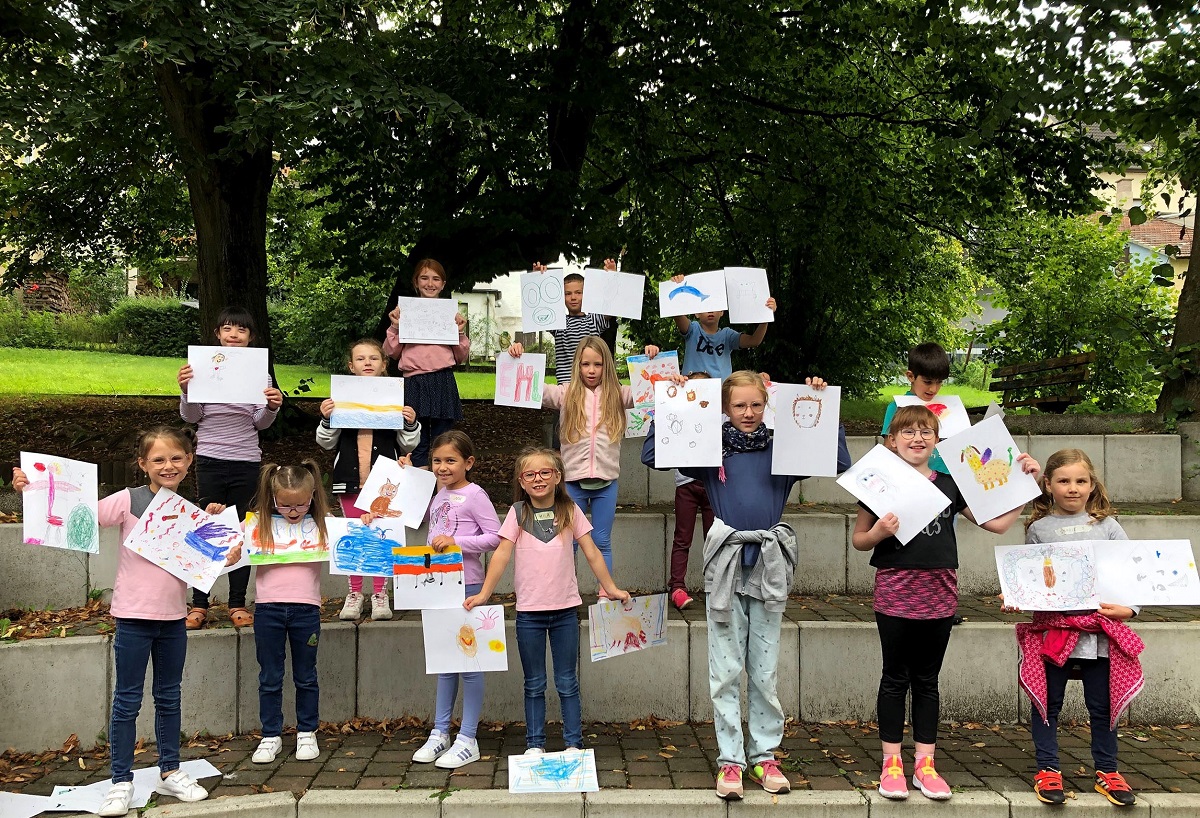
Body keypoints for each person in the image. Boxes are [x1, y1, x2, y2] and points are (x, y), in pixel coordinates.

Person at [642, 370, 848, 800]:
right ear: (724, 408)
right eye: (739, 405)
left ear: (766, 405)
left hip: (770, 564)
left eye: (756, 405)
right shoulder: (709, 448)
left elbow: (838, 460)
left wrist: (821, 403)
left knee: (764, 668)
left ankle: (764, 755)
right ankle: (730, 760)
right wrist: (676, 402)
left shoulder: (783, 449)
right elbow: (652, 452)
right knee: (725, 666)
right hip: (726, 564)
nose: (749, 413)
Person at [13, 427, 238, 816]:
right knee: (127, 702)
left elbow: (206, 564)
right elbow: (73, 511)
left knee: (169, 697)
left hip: (174, 620)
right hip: (133, 618)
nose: (168, 465)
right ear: (142, 464)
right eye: (158, 459)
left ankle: (170, 770)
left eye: (176, 458)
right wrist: (30, 488)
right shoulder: (127, 500)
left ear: (189, 461)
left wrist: (228, 553)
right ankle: (121, 782)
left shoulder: (193, 512)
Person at [852, 405, 1040, 801]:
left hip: (940, 592)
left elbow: (997, 524)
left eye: (925, 432)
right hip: (896, 591)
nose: (917, 438)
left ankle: (925, 764)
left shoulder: (951, 484)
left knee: (927, 680)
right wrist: (881, 532)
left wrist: (1026, 486)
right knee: (894, 678)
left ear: (937, 441)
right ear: (892, 441)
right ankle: (891, 764)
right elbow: (859, 539)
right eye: (908, 432)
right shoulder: (878, 484)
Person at [464, 447, 630, 754]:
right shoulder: (517, 513)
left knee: (568, 682)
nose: (538, 478)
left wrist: (611, 587)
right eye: (530, 474)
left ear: (557, 477)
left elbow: (592, 552)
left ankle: (573, 744)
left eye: (545, 472)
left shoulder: (570, 510)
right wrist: (485, 593)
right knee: (534, 683)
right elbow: (500, 554)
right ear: (522, 482)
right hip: (529, 614)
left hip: (566, 611)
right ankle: (535, 745)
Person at [1003, 449, 1143, 807]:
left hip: (1100, 633)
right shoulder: (1038, 528)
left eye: (1081, 481)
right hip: (1055, 631)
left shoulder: (1109, 527)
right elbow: (1034, 579)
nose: (1073, 488)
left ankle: (1108, 770)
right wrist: (1018, 596)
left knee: (1103, 703)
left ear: (1092, 484)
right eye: (1063, 481)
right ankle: (1047, 768)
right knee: (1048, 702)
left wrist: (1130, 608)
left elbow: (1131, 574)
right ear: (1048, 485)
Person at [177, 306, 283, 629]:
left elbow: (259, 422)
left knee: (240, 532)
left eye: (241, 330)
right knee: (206, 529)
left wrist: (272, 408)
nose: (234, 335)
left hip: (246, 460)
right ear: (217, 335)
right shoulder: (201, 369)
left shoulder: (259, 375)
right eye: (227, 329)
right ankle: (199, 603)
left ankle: (237, 602)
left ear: (251, 337)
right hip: (209, 457)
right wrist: (186, 391)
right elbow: (191, 417)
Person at [403, 431, 501, 769]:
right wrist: (406, 475)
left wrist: (456, 541)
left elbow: (494, 538)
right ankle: (440, 731)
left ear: (468, 463)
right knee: (445, 662)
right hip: (438, 584)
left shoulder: (475, 495)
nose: (443, 467)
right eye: (437, 461)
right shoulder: (438, 493)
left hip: (468, 585)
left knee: (469, 662)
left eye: (451, 460)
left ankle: (468, 737)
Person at [316, 338, 421, 621]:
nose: (367, 363)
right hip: (349, 482)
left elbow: (408, 444)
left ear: (384, 364)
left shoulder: (394, 400)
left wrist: (410, 422)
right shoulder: (339, 401)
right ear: (351, 366)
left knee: (381, 537)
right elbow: (326, 443)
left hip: (383, 486)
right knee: (355, 534)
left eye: (374, 358)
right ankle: (354, 593)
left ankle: (379, 594)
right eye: (360, 359)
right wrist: (326, 419)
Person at [507, 259, 657, 447]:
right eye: (568, 293)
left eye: (578, 292)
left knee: (597, 436)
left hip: (597, 391)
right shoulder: (558, 323)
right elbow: (538, 309)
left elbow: (612, 306)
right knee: (561, 441)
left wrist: (612, 277)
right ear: (561, 297)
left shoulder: (593, 321)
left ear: (586, 295)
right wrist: (538, 279)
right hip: (568, 392)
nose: (573, 297)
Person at [522, 336, 633, 578]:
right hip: (572, 483)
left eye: (598, 364)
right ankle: (567, 597)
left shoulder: (617, 394)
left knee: (602, 541)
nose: (591, 370)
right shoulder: (566, 393)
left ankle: (606, 596)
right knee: (568, 542)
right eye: (585, 364)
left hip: (606, 484)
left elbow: (651, 393)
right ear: (577, 365)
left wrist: (652, 360)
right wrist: (516, 359)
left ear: (607, 366)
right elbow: (533, 390)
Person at [246, 461, 331, 765]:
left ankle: (307, 731)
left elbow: (358, 534)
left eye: (301, 504)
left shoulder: (324, 523)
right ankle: (271, 735)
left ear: (312, 497)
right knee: (270, 676)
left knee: (306, 676)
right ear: (272, 499)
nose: (294, 511)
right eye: (285, 504)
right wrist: (217, 514)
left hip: (306, 610)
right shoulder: (257, 524)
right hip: (268, 609)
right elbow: (227, 543)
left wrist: (370, 520)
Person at [383, 258, 469, 467]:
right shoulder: (404, 313)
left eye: (435, 279)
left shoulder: (451, 315)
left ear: (443, 283)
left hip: (442, 381)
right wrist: (395, 326)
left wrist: (459, 332)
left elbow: (460, 356)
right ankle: (419, 489)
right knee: (416, 440)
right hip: (414, 382)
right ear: (416, 282)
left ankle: (442, 489)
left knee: (444, 440)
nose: (430, 283)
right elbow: (391, 352)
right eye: (424, 278)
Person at [668, 371, 716, 611]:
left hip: (713, 486)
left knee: (715, 539)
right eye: (694, 389)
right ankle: (676, 587)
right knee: (682, 538)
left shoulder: (721, 415)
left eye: (705, 389)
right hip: (686, 485)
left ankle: (717, 586)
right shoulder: (679, 411)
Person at [667, 274, 776, 380]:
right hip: (692, 390)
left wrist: (766, 315)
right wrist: (676, 285)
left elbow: (754, 340)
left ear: (721, 312)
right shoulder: (693, 329)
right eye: (705, 307)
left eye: (714, 306)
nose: (710, 310)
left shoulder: (727, 335)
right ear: (697, 314)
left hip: (720, 392)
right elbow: (677, 313)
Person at [880, 342, 952, 475]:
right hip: (913, 478)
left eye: (939, 382)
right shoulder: (897, 407)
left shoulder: (951, 409)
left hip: (946, 479)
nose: (934, 389)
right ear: (910, 376)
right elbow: (889, 447)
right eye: (928, 382)